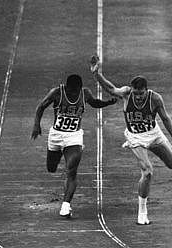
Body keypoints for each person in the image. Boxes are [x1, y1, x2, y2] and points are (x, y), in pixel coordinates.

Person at [90, 55, 172, 225]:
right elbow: (111, 89)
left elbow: (166, 120)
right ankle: (142, 212)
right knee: (148, 171)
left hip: (154, 134)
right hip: (135, 137)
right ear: (132, 90)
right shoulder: (127, 93)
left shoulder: (155, 98)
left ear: (146, 90)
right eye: (136, 93)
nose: (139, 97)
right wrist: (97, 75)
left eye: (141, 94)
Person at [32, 74, 116, 218]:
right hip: (56, 135)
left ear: (80, 88)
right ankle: (58, 155)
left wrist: (107, 103)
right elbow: (41, 106)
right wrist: (36, 125)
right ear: (66, 87)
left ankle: (66, 205)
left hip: (74, 136)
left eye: (76, 91)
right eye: (71, 91)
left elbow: (94, 102)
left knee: (72, 170)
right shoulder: (57, 92)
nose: (74, 93)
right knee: (51, 168)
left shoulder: (85, 93)